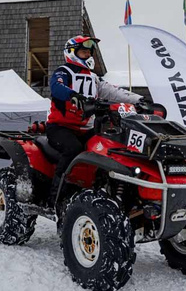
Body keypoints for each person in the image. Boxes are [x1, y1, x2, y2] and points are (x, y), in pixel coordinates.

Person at [46, 35, 144, 206]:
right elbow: (56, 87)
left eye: (88, 52)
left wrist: (139, 100)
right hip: (60, 127)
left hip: (86, 129)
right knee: (73, 149)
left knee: (108, 149)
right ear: (71, 52)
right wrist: (73, 95)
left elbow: (114, 92)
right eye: (83, 52)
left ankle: (101, 191)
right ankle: (55, 197)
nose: (87, 55)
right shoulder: (64, 71)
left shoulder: (93, 77)